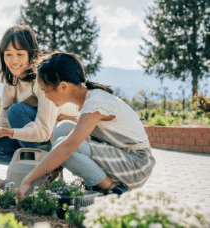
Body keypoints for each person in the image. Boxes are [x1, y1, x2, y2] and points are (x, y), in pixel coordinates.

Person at [16, 51, 156, 199]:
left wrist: (28, 180)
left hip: (137, 165)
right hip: (122, 158)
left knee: (66, 146)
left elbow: (67, 148)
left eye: (46, 91)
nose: (45, 96)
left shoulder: (96, 103)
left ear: (63, 86)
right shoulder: (87, 102)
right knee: (62, 128)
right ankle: (98, 184)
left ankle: (115, 190)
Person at [0, 26, 77, 165]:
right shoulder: (11, 83)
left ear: (30, 54)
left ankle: (45, 167)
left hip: (58, 141)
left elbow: (43, 132)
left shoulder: (43, 79)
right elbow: (3, 121)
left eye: (20, 54)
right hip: (33, 138)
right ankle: (31, 168)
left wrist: (7, 132)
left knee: (16, 111)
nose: (14, 61)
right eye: (8, 54)